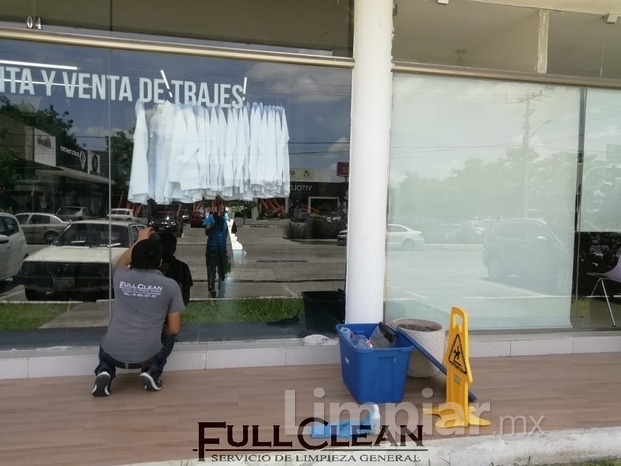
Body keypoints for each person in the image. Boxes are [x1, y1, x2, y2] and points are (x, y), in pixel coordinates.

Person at [91, 227, 185, 397]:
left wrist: (140, 240)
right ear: (160, 262)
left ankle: (104, 371)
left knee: (108, 340)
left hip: (112, 353)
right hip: (147, 355)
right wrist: (158, 332)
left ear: (134, 257)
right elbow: (174, 328)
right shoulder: (170, 286)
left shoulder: (120, 277)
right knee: (170, 336)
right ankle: (152, 371)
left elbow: (121, 262)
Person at [203, 196, 229, 298]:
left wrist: (231, 219)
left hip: (222, 250)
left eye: (221, 205)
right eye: (217, 205)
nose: (219, 208)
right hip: (212, 250)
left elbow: (234, 230)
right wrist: (216, 221)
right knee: (211, 272)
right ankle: (211, 292)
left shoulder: (226, 218)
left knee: (223, 273)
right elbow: (207, 232)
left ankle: (221, 293)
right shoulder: (209, 218)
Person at [159, 231, 193, 306]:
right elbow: (185, 297)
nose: (165, 250)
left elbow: (185, 296)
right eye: (163, 246)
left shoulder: (182, 268)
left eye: (167, 246)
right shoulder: (182, 267)